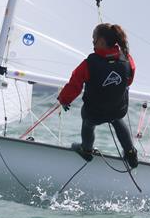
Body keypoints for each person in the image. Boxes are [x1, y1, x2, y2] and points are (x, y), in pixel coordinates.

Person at [58, 23, 138, 168]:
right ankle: (131, 153)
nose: (92, 42)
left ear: (101, 41)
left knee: (88, 123)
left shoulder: (89, 63)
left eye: (93, 38)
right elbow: (130, 79)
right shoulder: (127, 58)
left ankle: (86, 150)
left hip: (94, 113)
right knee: (117, 120)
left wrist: (64, 100)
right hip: (117, 109)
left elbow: (74, 84)